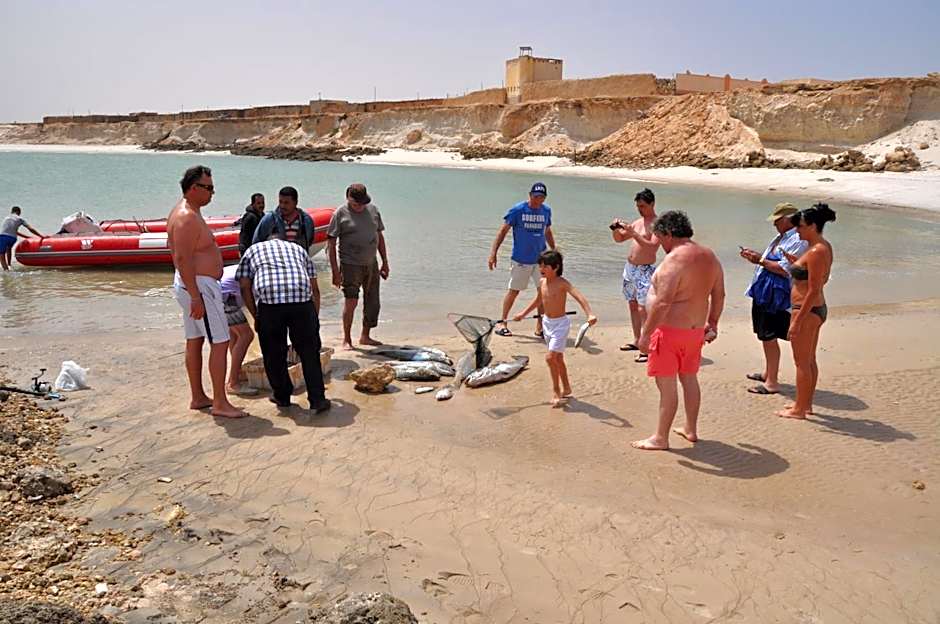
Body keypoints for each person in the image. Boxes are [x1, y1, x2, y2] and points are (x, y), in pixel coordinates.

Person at [632, 211, 725, 451]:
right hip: (694, 332)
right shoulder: (709, 256)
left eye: (660, 238)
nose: (659, 244)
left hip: (669, 332)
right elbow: (719, 293)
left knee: (666, 386)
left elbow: (663, 302)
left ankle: (660, 438)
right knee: (689, 379)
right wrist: (712, 323)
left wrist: (644, 335)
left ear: (669, 233)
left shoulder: (675, 259)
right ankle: (690, 429)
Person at [167, 165, 246, 419]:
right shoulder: (186, 217)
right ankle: (220, 402)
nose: (213, 192)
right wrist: (195, 296)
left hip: (194, 284)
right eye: (208, 187)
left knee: (195, 339)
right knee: (220, 341)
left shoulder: (189, 212)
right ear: (193, 188)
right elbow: (182, 257)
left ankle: (199, 396)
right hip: (199, 287)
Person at [237, 237, 331, 413]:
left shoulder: (252, 250)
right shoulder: (298, 249)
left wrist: (256, 315)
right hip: (302, 304)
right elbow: (314, 289)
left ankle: (282, 397)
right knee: (309, 353)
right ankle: (317, 400)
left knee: (273, 354)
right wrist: (314, 318)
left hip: (270, 306)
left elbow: (244, 287)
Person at [739, 203, 808, 395]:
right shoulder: (782, 237)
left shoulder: (798, 239)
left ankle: (772, 382)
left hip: (777, 295)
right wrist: (756, 258)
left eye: (777, 221)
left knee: (769, 336)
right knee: (764, 335)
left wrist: (758, 259)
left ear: (787, 219)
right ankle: (769, 373)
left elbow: (784, 269)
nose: (774, 225)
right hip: (765, 292)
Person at [776, 204, 836, 420]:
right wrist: (796, 264)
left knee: (802, 362)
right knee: (809, 359)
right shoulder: (821, 247)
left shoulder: (817, 250)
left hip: (806, 309)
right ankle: (806, 404)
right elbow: (819, 276)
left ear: (812, 225)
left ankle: (799, 409)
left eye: (800, 227)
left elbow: (814, 288)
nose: (797, 231)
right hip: (813, 309)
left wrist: (796, 321)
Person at [514, 250, 597, 407]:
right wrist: (523, 314)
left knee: (550, 357)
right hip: (547, 324)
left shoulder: (562, 283)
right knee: (558, 359)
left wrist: (590, 314)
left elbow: (580, 297)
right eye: (540, 266)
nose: (541, 269)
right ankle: (567, 387)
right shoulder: (543, 283)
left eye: (545, 266)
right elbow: (538, 300)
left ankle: (556, 391)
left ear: (556, 267)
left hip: (560, 324)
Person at [488, 182, 556, 338]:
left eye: (542, 197)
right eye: (535, 196)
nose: (538, 200)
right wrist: (493, 253)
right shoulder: (518, 210)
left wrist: (554, 250)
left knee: (543, 292)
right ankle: (503, 322)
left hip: (541, 260)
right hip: (521, 259)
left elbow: (547, 230)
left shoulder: (546, 211)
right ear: (530, 195)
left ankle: (540, 327)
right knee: (514, 291)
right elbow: (503, 231)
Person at [327, 183, 389, 350]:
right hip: (350, 264)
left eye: (362, 203)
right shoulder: (340, 214)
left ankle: (365, 336)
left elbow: (379, 236)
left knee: (372, 301)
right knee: (351, 301)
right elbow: (331, 245)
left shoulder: (373, 210)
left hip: (371, 263)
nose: (360, 207)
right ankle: (346, 339)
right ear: (348, 198)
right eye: (356, 204)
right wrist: (335, 271)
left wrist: (385, 262)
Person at [611, 188, 662, 362]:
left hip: (645, 269)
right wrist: (615, 229)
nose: (640, 209)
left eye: (643, 206)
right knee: (632, 304)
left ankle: (646, 346)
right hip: (630, 268)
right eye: (638, 206)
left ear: (652, 204)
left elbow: (652, 246)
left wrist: (634, 234)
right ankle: (637, 339)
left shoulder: (657, 224)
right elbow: (619, 239)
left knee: (643, 308)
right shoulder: (638, 222)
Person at [219, 265, 258, 396]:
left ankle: (237, 373)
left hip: (218, 293)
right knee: (247, 335)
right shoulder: (259, 270)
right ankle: (233, 383)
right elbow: (251, 296)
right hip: (227, 297)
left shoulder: (249, 264)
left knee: (234, 335)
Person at [1, 206, 44, 271]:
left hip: (3, 237)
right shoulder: (20, 219)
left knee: (1, 255)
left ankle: (6, 271)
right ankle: (9, 265)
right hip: (13, 238)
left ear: (11, 212)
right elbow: (30, 229)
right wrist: (41, 236)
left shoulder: (6, 218)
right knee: (8, 248)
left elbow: (8, 230)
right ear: (19, 212)